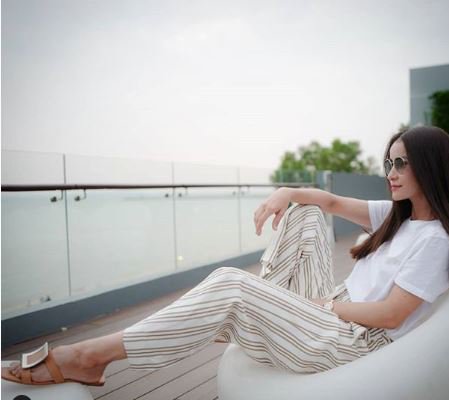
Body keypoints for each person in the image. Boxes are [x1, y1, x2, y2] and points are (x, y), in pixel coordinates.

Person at [2, 126, 449, 386]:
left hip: (350, 338)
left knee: (230, 282)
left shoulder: (435, 241)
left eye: (402, 163)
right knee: (306, 213)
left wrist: (326, 306)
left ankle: (87, 358)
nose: (391, 173)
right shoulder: (398, 217)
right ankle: (243, 313)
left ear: (431, 165)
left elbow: (392, 315)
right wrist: (285, 192)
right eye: (388, 163)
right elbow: (328, 201)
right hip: (333, 312)